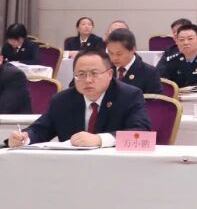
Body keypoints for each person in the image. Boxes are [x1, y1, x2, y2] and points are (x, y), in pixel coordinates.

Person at [6, 49, 150, 148]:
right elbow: (40, 130)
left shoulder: (129, 96)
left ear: (109, 74)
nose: (88, 80)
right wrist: (24, 138)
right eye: (81, 74)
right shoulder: (62, 100)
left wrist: (99, 139)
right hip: (71, 169)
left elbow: (142, 134)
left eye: (94, 73)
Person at [154, 23, 197, 92]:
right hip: (176, 96)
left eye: (190, 39)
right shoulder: (170, 59)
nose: (185, 43)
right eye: (181, 39)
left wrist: (183, 90)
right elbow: (159, 80)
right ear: (177, 42)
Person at [104, 28, 164, 94]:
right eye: (111, 53)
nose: (114, 58)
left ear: (133, 49)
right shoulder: (105, 69)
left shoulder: (149, 72)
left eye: (119, 54)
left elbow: (154, 99)